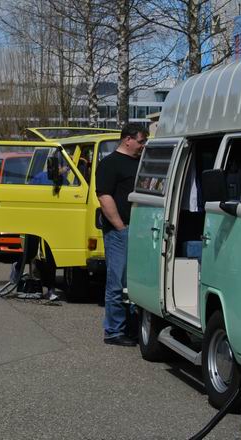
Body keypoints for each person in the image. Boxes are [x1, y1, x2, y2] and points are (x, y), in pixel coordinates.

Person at [95, 123, 149, 346]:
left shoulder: (140, 162)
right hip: (120, 232)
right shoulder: (109, 164)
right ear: (127, 139)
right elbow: (104, 197)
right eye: (140, 141)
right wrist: (120, 226)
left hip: (139, 231)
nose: (143, 145)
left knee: (134, 283)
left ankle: (132, 328)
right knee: (116, 283)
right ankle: (113, 331)